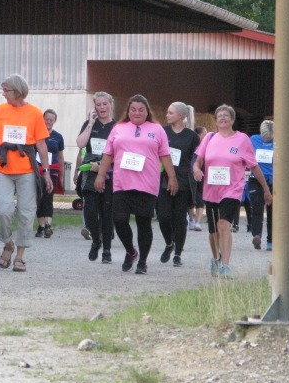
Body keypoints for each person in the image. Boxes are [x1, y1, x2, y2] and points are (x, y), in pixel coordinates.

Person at [94, 94, 178, 274]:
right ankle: (131, 251)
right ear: (128, 111)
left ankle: (143, 262)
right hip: (122, 182)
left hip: (147, 183)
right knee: (119, 219)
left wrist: (172, 177)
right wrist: (101, 175)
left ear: (147, 112)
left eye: (141, 110)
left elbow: (165, 155)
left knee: (143, 223)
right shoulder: (118, 128)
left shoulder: (157, 129)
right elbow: (108, 154)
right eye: (133, 109)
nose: (137, 113)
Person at [0, 74, 54, 273]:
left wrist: (46, 172)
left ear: (18, 91)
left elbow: (41, 144)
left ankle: (20, 256)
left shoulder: (35, 113)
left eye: (6, 90)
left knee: (26, 213)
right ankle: (8, 243)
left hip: (27, 170)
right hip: (3, 168)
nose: (3, 94)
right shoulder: (0, 110)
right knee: (2, 210)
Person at [192, 104, 272, 279]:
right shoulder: (209, 138)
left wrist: (266, 189)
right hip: (211, 189)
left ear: (232, 120)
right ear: (215, 121)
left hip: (232, 189)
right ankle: (216, 259)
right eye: (219, 116)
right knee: (213, 231)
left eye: (226, 115)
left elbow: (254, 166)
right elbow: (198, 161)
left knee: (223, 224)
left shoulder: (242, 139)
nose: (222, 118)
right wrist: (196, 169)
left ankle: (226, 265)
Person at [157, 102, 199, 267]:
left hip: (183, 181)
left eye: (171, 113)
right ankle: (169, 243)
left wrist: (196, 169)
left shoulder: (191, 136)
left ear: (181, 116)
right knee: (163, 216)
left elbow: (197, 158)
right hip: (163, 179)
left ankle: (177, 254)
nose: (167, 115)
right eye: (167, 112)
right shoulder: (163, 132)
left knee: (180, 218)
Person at [76, 92, 117, 263]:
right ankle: (95, 241)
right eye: (98, 104)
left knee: (107, 214)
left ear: (110, 105)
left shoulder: (117, 126)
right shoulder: (89, 124)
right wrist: (91, 123)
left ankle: (106, 250)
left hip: (110, 172)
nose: (102, 107)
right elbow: (80, 143)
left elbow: (120, 150)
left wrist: (103, 165)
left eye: (105, 104)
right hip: (90, 171)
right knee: (90, 213)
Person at [35, 109, 65, 238]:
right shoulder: (36, 134)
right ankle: (41, 226)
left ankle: (48, 225)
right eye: (46, 119)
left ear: (54, 121)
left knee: (48, 196)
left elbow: (61, 157)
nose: (48, 122)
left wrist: (61, 174)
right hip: (38, 169)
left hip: (53, 170)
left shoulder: (58, 137)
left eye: (51, 120)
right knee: (39, 197)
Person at [248, 120, 274, 250]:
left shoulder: (278, 142)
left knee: (272, 212)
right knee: (257, 208)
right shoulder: (253, 139)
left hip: (273, 179)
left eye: (269, 137)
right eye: (264, 136)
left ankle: (271, 241)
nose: (266, 139)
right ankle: (257, 235)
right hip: (256, 178)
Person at [188, 126, 208, 232]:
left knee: (200, 196)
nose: (206, 136)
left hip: (203, 173)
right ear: (199, 135)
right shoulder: (191, 145)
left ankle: (198, 222)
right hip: (191, 173)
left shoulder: (208, 146)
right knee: (191, 196)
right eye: (204, 134)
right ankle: (191, 219)